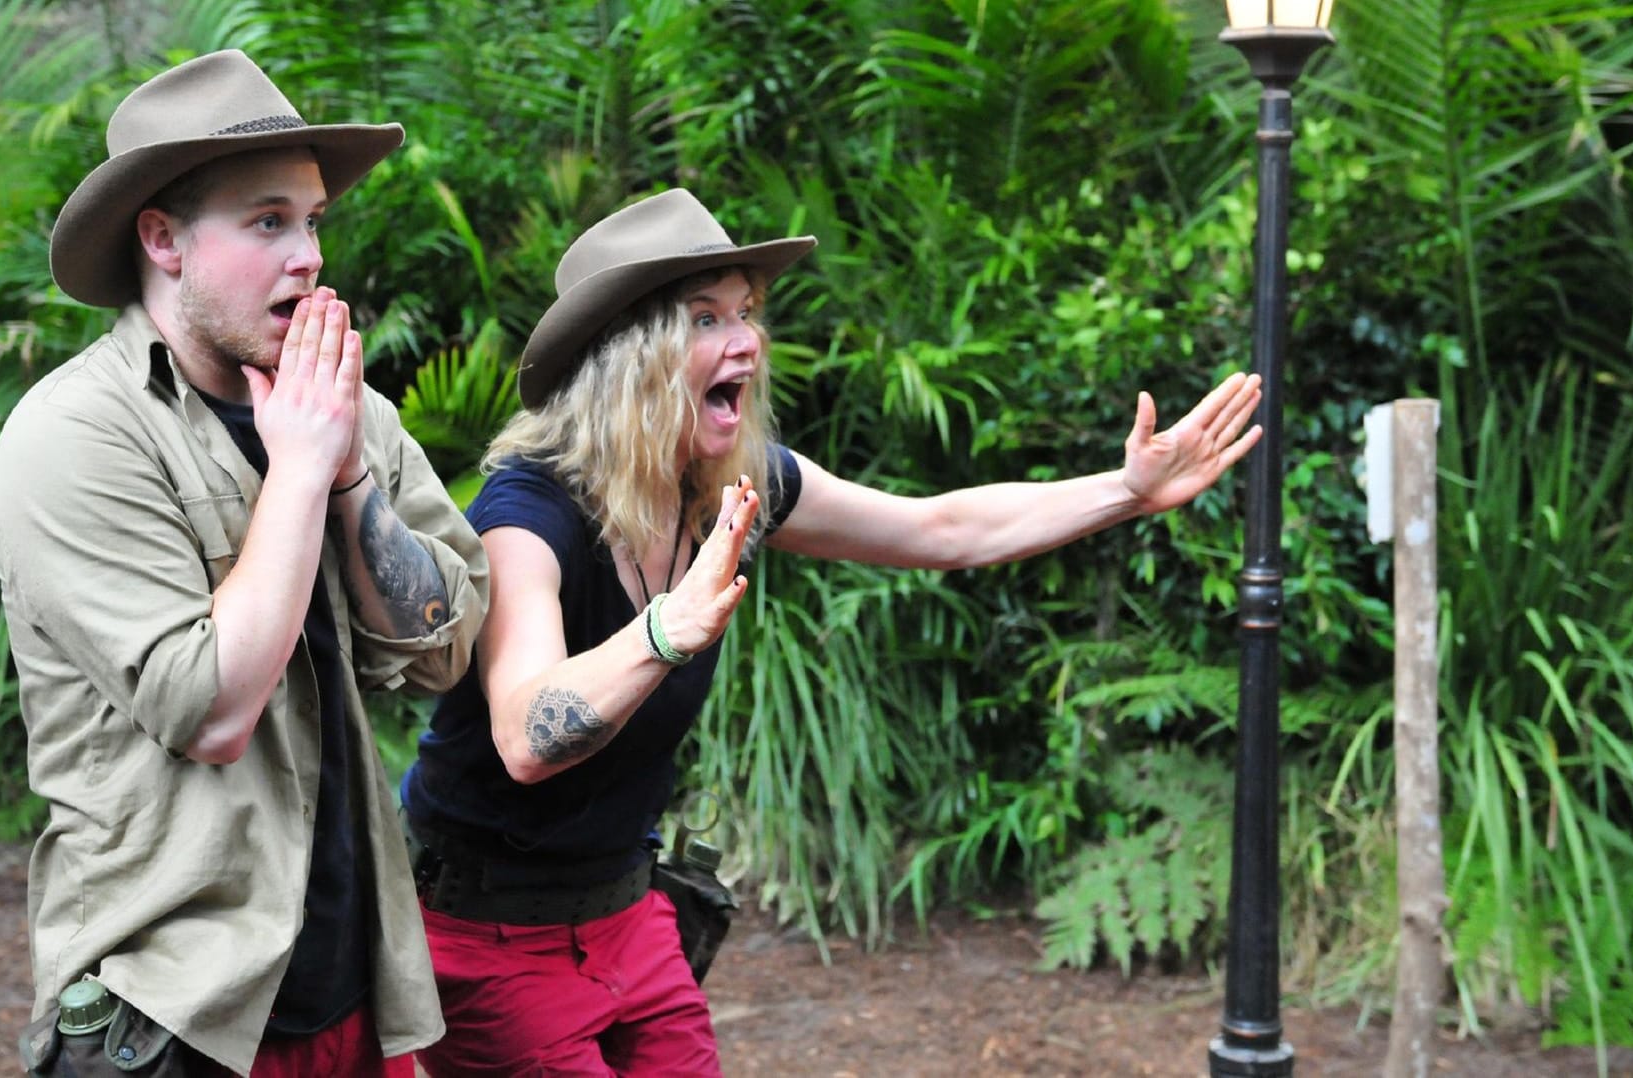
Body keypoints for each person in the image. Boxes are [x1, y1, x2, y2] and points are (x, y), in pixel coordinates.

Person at [396, 187, 1263, 1075]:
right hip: (489, 929)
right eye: (705, 318)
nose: (747, 340)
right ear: (625, 355)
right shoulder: (526, 515)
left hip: (625, 911)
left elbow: (941, 531)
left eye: (745, 312)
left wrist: (1127, 490)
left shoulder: (730, 485)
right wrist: (664, 631)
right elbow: (525, 736)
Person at [0, 50, 488, 1077]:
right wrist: (301, 474)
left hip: (354, 988)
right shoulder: (72, 438)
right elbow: (209, 711)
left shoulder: (348, 413)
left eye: (311, 222)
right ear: (161, 238)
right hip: (172, 1016)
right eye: (267, 222)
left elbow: (446, 649)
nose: (307, 256)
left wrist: (348, 480)